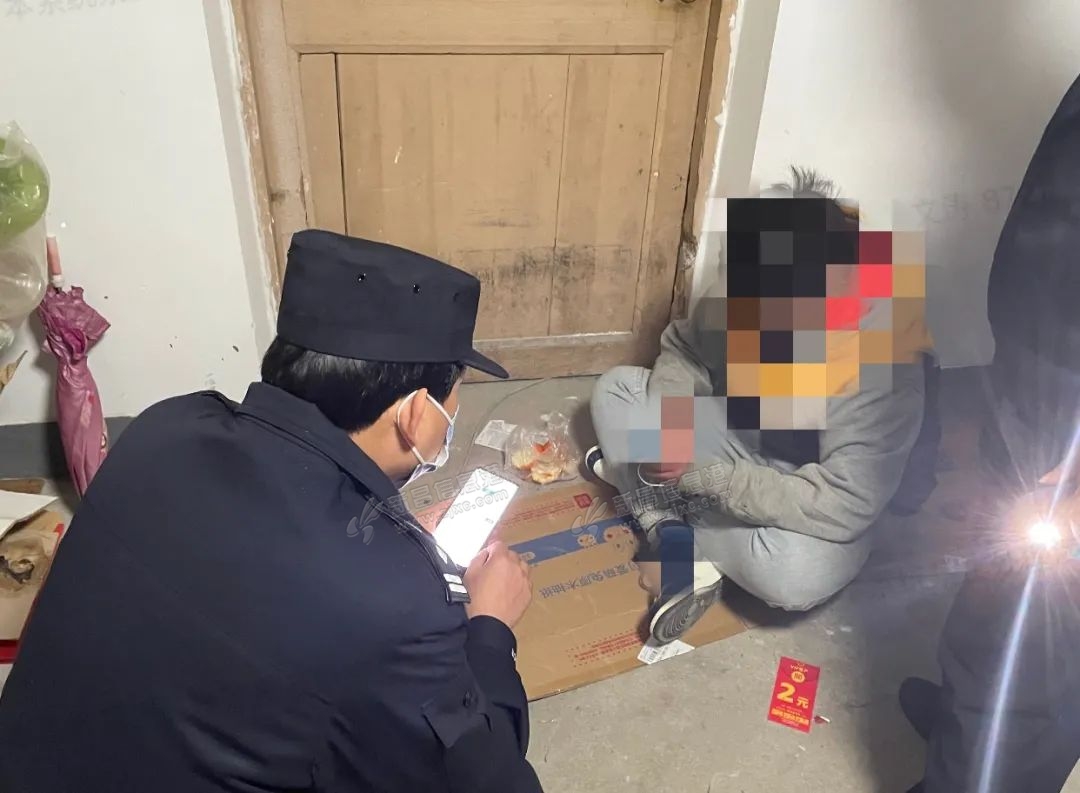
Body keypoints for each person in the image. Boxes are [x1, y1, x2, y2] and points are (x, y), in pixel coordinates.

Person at [0, 231, 544, 793]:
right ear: (415, 413)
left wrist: (388, 549)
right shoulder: (402, 606)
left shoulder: (166, 426)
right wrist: (489, 628)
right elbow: (484, 779)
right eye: (453, 399)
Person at [588, 169, 932, 641]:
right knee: (618, 391)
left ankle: (653, 503)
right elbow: (686, 351)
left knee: (792, 576)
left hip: (810, 488)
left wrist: (704, 478)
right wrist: (672, 426)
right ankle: (670, 532)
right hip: (745, 434)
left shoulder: (886, 359)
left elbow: (845, 502)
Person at [900, 73, 1080, 793]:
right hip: (1038, 392)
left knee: (1035, 652)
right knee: (991, 599)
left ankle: (982, 773)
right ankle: (964, 734)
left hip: (1067, 447)